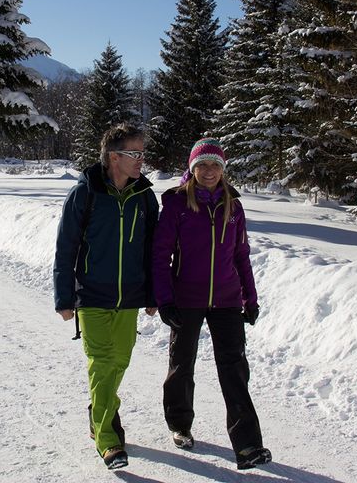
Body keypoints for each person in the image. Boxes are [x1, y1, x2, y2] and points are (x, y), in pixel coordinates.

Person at [151, 137, 272, 470]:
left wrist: (250, 297)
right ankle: (179, 423)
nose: (208, 171)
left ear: (223, 169)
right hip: (185, 298)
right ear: (192, 169)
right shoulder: (177, 204)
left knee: (234, 370)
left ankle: (248, 446)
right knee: (182, 363)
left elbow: (241, 255)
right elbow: (160, 255)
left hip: (228, 299)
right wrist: (165, 299)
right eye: (202, 165)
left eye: (215, 165)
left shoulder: (233, 206)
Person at [53, 123, 159, 470]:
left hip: (129, 295)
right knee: (101, 363)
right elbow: (66, 246)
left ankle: (99, 411)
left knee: (120, 361)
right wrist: (64, 297)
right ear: (114, 156)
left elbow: (152, 249)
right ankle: (108, 440)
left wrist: (154, 293)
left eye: (142, 153)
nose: (141, 160)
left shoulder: (145, 195)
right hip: (93, 295)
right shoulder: (85, 193)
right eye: (135, 153)